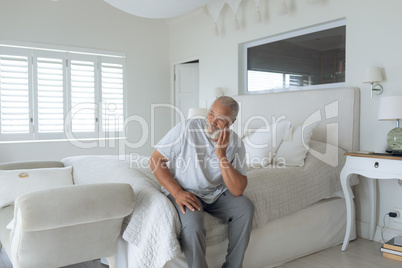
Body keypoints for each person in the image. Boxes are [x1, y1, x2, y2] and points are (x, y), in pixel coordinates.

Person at [149, 96, 254, 268]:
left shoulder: (236, 143)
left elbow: (237, 190)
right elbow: (155, 160)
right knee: (193, 225)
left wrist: (221, 155)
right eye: (211, 114)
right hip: (185, 190)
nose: (212, 121)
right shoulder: (187, 128)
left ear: (232, 122)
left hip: (216, 194)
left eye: (221, 119)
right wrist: (177, 193)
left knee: (245, 208)